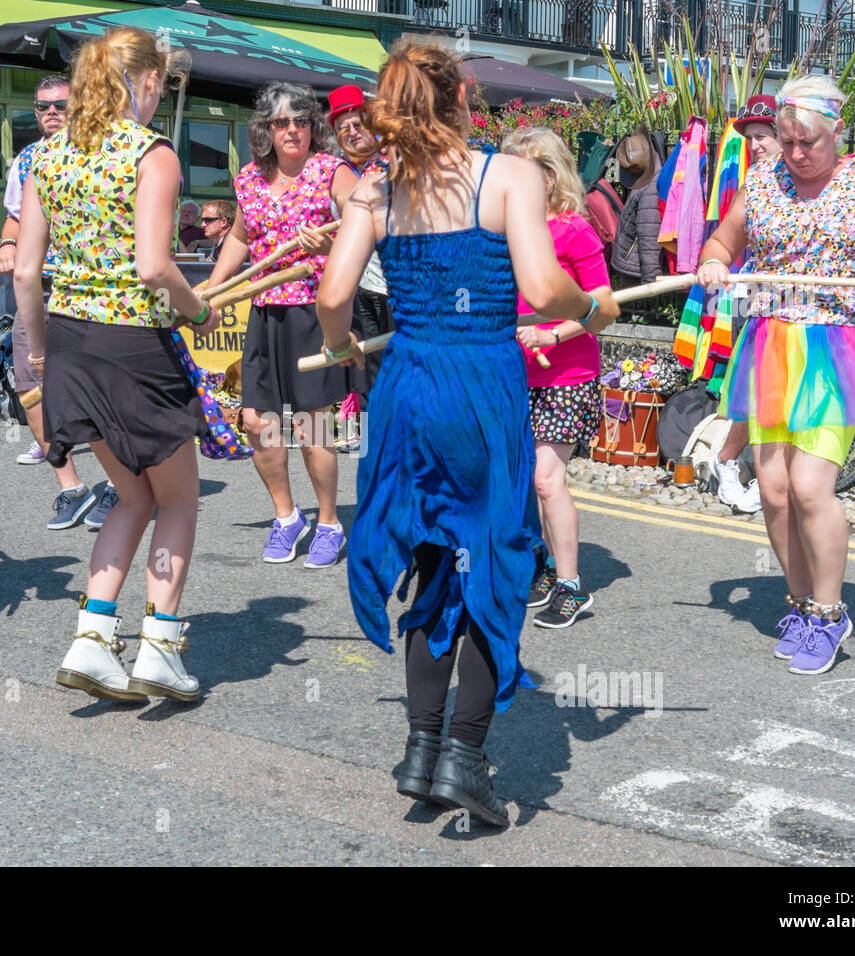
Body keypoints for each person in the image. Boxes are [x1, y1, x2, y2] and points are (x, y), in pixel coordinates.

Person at [316, 43, 619, 827]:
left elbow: (333, 296)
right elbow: (540, 287)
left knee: (427, 561)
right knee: (497, 562)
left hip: (409, 383)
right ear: (463, 97)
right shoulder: (508, 174)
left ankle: (421, 748)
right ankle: (465, 758)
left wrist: (347, 348)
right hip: (483, 380)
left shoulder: (377, 191)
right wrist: (593, 308)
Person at [696, 75, 855, 676]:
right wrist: (711, 263)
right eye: (785, 141)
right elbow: (723, 243)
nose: (795, 153)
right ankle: (803, 604)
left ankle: (832, 614)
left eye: (807, 141)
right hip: (769, 342)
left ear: (839, 131)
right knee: (774, 490)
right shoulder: (763, 183)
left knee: (810, 487)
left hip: (836, 347)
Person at [15, 27, 220, 703]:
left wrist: (42, 351)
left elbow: (24, 270)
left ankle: (92, 639)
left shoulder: (48, 155)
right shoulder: (150, 153)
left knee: (129, 496)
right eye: (162, 79)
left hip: (72, 342)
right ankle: (161, 645)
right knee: (178, 498)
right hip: (134, 343)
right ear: (147, 79)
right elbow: (154, 266)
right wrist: (197, 309)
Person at [207, 82, 358, 568]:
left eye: (300, 121)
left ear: (313, 126)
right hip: (264, 310)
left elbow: (366, 233)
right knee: (257, 420)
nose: (292, 130)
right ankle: (287, 517)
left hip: (313, 309)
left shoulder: (332, 172)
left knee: (313, 426)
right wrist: (209, 287)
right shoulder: (249, 178)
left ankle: (330, 523)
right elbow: (240, 236)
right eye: (280, 122)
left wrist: (329, 249)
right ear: (265, 130)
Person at [0, 74, 118, 531]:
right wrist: (6, 246)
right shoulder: (27, 158)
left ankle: (120, 483)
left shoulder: (105, 149)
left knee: (97, 387)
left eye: (60, 105)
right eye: (42, 106)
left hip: (88, 290)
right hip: (37, 290)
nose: (51, 112)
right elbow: (13, 220)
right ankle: (71, 486)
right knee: (30, 386)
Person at [502, 127, 615, 629]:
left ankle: (571, 585)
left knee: (548, 480)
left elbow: (604, 309)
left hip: (567, 370)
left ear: (551, 175)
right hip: (515, 371)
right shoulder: (507, 230)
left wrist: (554, 335)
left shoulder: (574, 229)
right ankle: (547, 567)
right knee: (526, 480)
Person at [711, 93, 783, 515]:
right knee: (757, 389)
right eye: (750, 138)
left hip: (794, 302)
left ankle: (735, 464)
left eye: (762, 137)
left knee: (766, 391)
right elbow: (724, 240)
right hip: (751, 299)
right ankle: (748, 470)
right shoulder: (755, 183)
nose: (755, 146)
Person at [329, 84, 394, 401]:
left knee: (395, 360)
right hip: (356, 284)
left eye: (357, 124)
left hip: (394, 279)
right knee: (367, 370)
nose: (352, 132)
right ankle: (371, 444)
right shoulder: (336, 170)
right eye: (344, 129)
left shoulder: (391, 161)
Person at [611, 130, 662, 285]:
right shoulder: (651, 182)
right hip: (633, 265)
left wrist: (650, 281)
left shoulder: (651, 185)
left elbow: (649, 237)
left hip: (635, 267)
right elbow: (648, 237)